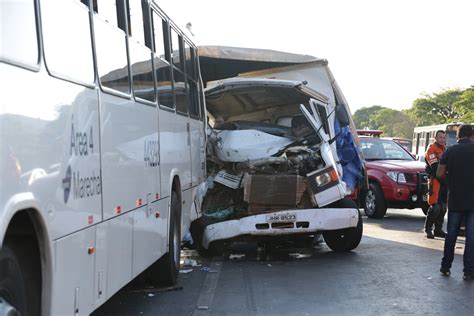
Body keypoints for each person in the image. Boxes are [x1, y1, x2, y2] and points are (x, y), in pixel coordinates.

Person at [437, 125, 474, 280]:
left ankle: (445, 267)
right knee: (471, 238)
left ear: (458, 136)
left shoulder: (449, 150)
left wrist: (451, 183)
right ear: (471, 135)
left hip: (455, 200)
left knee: (451, 234)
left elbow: (439, 173)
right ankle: (469, 271)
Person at [424, 130, 447, 239]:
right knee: (435, 206)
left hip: (444, 181)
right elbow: (435, 167)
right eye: (440, 137)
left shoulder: (445, 149)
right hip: (435, 181)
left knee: (443, 206)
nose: (442, 139)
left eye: (444, 137)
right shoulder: (431, 149)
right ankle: (428, 229)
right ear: (435, 138)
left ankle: (438, 229)